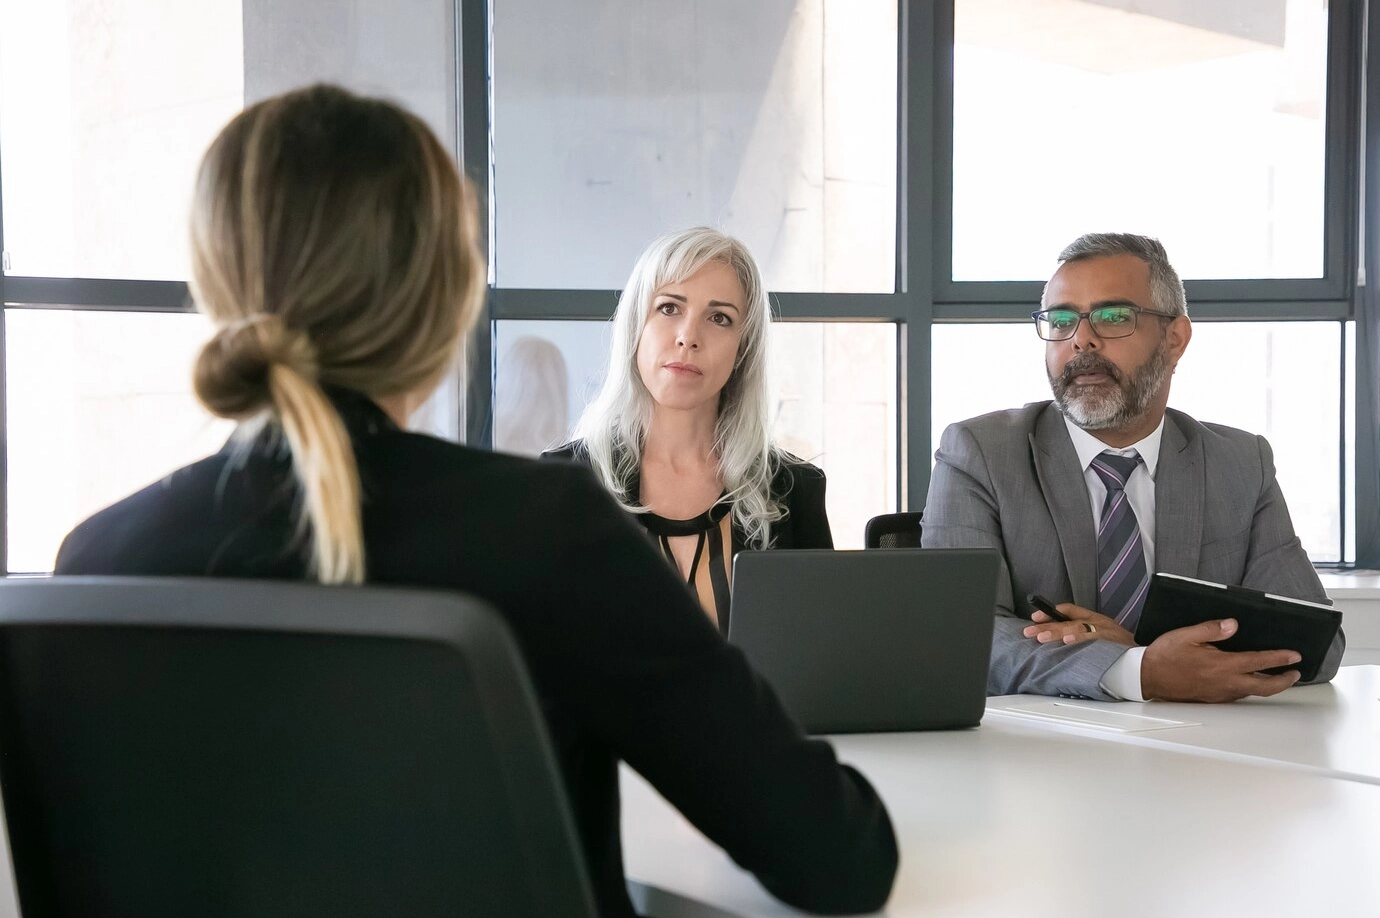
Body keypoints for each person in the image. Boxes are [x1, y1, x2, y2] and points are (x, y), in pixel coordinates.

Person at [53, 85, 896, 917]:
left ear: (213, 279)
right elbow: (840, 859)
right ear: (448, 298)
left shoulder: (94, 563)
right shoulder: (555, 533)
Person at [921, 232, 1345, 703]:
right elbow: (958, 641)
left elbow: (1317, 648)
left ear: (1175, 338)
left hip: (1201, 752)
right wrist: (1139, 669)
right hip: (1038, 759)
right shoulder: (979, 453)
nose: (1081, 339)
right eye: (1060, 320)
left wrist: (1138, 650)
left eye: (1113, 316)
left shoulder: (1241, 463)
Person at [545, 228, 831, 633]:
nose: (688, 338)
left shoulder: (794, 489)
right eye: (668, 308)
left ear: (742, 349)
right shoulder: (562, 485)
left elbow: (816, 664)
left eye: (719, 318)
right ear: (636, 326)